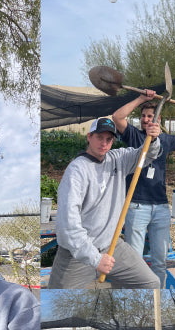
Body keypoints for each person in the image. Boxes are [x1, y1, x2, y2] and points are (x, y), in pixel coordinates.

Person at [48, 117, 162, 289]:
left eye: (109, 139)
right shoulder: (77, 170)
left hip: (112, 245)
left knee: (151, 283)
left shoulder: (118, 159)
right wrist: (95, 259)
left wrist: (152, 139)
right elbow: (67, 225)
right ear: (89, 137)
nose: (104, 143)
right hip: (77, 254)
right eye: (99, 137)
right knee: (56, 301)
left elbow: (147, 154)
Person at [112, 91, 175, 287]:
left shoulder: (166, 139)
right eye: (143, 116)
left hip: (161, 207)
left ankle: (156, 298)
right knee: (134, 260)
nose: (145, 120)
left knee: (160, 261)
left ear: (158, 119)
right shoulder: (134, 135)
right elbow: (117, 117)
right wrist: (142, 99)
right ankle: (135, 296)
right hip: (136, 205)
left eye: (150, 116)